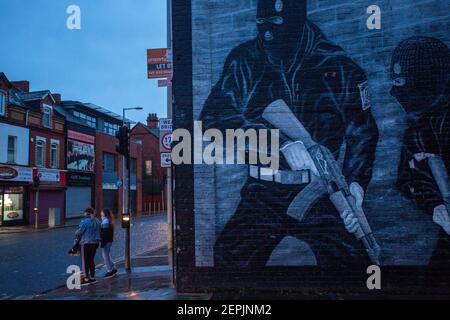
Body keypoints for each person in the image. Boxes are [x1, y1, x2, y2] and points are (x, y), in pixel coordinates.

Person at [200, 0, 379, 272]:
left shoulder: (339, 67)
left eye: (277, 24)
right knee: (229, 255)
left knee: (353, 262)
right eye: (262, 24)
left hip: (321, 189)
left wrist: (354, 185)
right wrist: (279, 144)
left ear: (297, 20)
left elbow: (362, 132)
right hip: (263, 191)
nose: (268, 33)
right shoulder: (245, 60)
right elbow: (214, 119)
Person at [394, 36, 450, 290]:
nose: (394, 91)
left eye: (401, 81)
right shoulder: (418, 128)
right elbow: (408, 177)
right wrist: (435, 205)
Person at [75, 207, 101, 286]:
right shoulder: (97, 221)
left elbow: (79, 232)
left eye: (84, 212)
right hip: (95, 243)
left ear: (87, 213)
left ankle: (86, 279)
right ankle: (93, 277)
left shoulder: (85, 221)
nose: (84, 214)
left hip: (86, 243)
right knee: (91, 260)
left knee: (85, 261)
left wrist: (76, 232)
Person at [100, 209, 118, 278]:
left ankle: (109, 270)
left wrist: (102, 241)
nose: (101, 213)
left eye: (102, 213)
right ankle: (113, 267)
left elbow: (105, 233)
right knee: (107, 255)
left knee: (105, 256)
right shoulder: (108, 220)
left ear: (105, 214)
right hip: (109, 240)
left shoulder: (105, 221)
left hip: (106, 240)